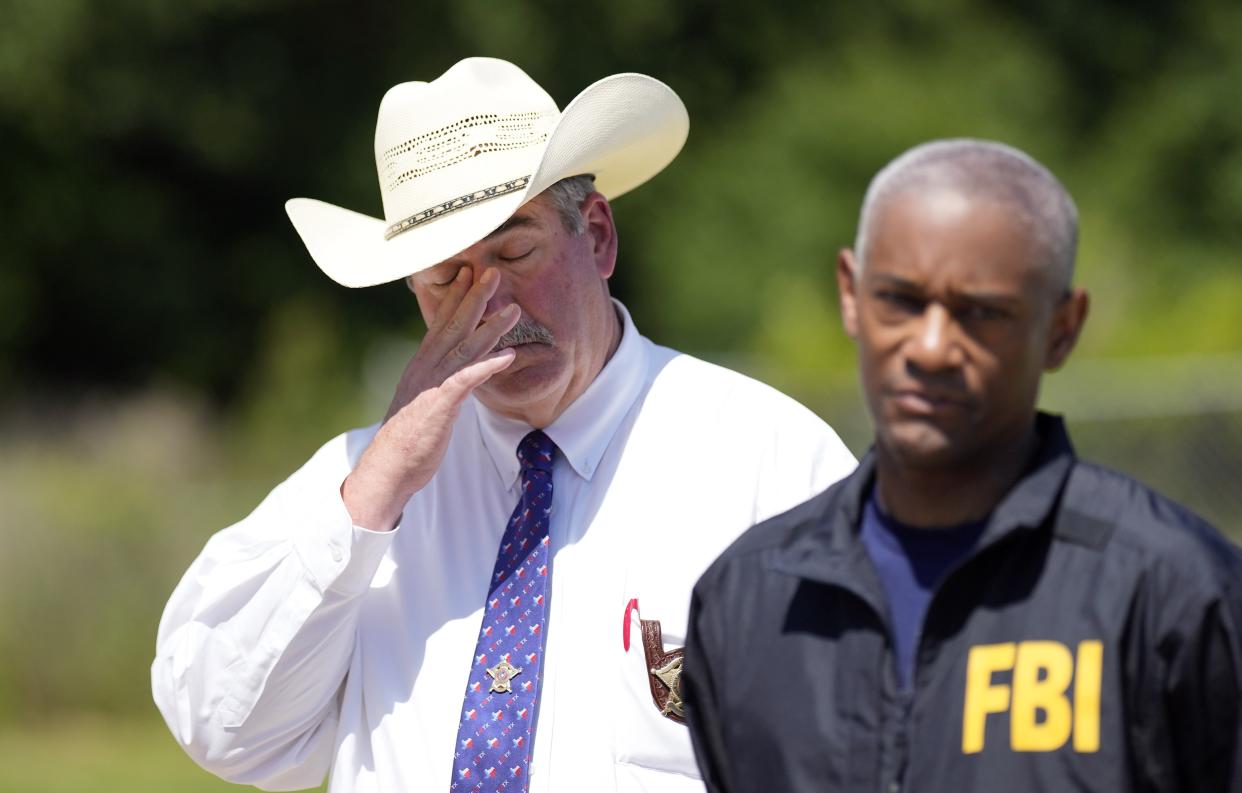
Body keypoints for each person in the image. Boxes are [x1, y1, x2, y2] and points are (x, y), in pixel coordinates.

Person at [151, 57, 855, 793]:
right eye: (445, 277)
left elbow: (861, 748)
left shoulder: (768, 460)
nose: (490, 305)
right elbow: (224, 730)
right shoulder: (360, 484)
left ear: (598, 234)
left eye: (514, 252)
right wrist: (369, 499)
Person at [683, 139, 1242, 792]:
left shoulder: (1178, 591)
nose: (931, 347)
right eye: (900, 299)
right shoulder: (746, 597)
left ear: (1063, 327)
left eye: (981, 313)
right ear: (850, 294)